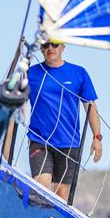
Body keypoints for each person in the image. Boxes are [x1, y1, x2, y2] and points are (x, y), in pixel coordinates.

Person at [27, 40, 102, 200]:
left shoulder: (78, 73)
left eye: (54, 44)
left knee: (61, 196)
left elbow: (90, 107)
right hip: (40, 141)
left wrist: (97, 137)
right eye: (46, 45)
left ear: (63, 47)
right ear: (40, 48)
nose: (50, 48)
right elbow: (14, 100)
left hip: (69, 143)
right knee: (41, 186)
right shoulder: (31, 73)